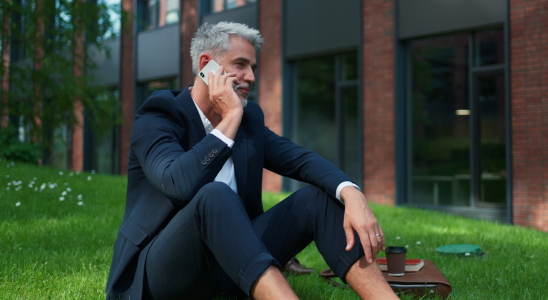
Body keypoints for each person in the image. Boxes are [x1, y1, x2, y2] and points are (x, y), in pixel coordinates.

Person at [105, 21, 398, 299]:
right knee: (214, 195)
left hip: (230, 265)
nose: (252, 78)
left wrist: (351, 192)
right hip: (160, 273)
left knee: (316, 199)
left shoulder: (250, 120)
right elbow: (178, 183)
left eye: (253, 67)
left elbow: (300, 160)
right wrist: (230, 118)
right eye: (241, 65)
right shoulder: (159, 114)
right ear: (207, 66)